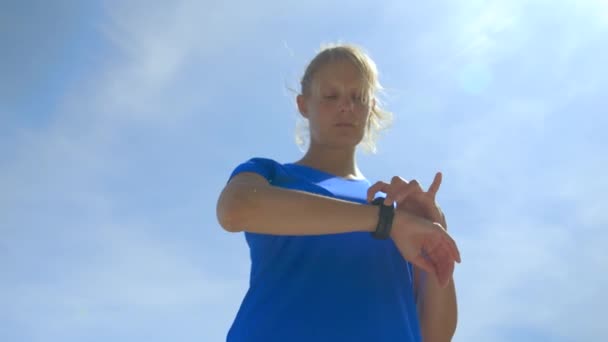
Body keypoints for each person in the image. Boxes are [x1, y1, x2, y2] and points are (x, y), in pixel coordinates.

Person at [216, 43, 461, 342]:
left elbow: (434, 336)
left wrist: (436, 235)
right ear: (304, 105)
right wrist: (386, 222)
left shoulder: (398, 211)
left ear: (370, 108)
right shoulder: (269, 175)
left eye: (358, 97)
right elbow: (235, 209)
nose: (346, 106)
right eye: (331, 96)